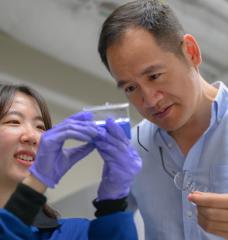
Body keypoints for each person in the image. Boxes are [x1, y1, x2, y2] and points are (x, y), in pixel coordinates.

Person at [97, 0, 228, 239]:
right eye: (130, 88)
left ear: (190, 52)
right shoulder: (132, 148)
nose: (149, 100)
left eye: (155, 76)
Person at [0, 83, 142, 239]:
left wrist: (112, 205)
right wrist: (36, 182)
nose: (33, 136)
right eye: (13, 121)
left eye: (40, 126)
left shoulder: (76, 233)